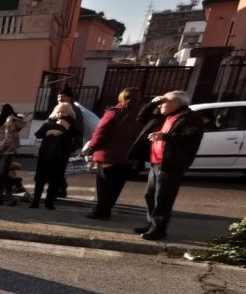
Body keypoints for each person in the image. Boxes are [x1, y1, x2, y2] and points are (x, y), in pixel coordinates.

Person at [128, 90, 203, 240]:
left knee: (163, 197)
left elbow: (189, 137)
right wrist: (152, 103)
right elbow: (141, 117)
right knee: (150, 195)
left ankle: (159, 229)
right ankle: (151, 224)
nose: (161, 105)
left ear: (176, 103)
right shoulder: (164, 116)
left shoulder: (190, 117)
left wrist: (166, 137)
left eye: (164, 102)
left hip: (170, 164)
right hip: (155, 162)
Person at [83, 88, 142, 220]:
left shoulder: (114, 113)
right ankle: (107, 209)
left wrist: (91, 147)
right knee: (117, 185)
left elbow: (101, 132)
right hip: (128, 156)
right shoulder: (141, 115)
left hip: (108, 155)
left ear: (121, 97)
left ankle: (101, 211)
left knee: (104, 184)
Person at [30, 101, 78, 209]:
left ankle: (49, 202)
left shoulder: (72, 124)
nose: (60, 114)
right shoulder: (49, 122)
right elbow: (38, 134)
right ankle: (36, 201)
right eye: (59, 111)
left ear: (69, 113)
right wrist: (48, 132)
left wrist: (66, 127)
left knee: (55, 180)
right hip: (45, 155)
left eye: (64, 112)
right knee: (40, 179)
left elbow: (76, 136)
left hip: (60, 156)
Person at [0, 115, 24, 206]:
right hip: (7, 152)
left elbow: (7, 140)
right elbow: (14, 142)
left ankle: (8, 197)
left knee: (2, 174)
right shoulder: (13, 125)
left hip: (4, 153)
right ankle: (0, 196)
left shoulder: (9, 124)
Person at [56, 89, 84, 199]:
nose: (60, 99)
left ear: (69, 98)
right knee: (57, 168)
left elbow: (78, 128)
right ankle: (60, 188)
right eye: (58, 97)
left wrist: (75, 144)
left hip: (65, 144)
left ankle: (60, 189)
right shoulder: (60, 108)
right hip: (57, 144)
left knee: (59, 167)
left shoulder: (73, 110)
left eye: (62, 96)